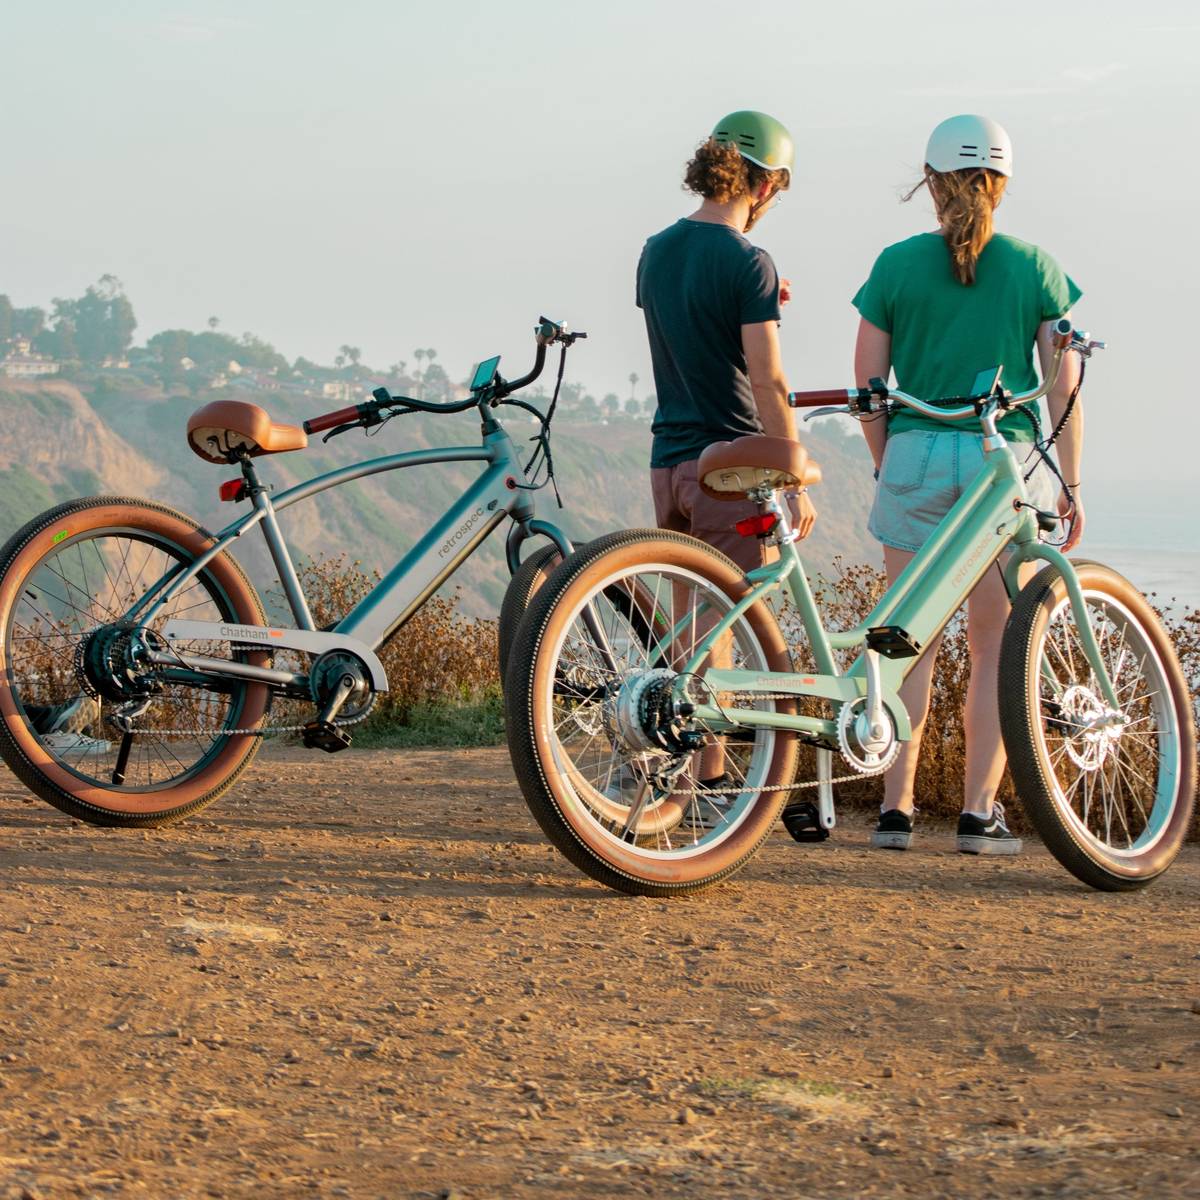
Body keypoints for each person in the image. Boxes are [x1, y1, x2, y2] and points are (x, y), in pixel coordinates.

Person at [852, 114, 1083, 855]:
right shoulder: (1035, 267)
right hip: (999, 467)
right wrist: (1071, 482)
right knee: (995, 648)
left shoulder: (894, 265)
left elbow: (867, 384)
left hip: (917, 452)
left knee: (906, 642)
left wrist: (889, 458)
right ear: (1003, 185)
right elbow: (1062, 387)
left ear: (929, 182)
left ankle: (895, 811)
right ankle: (979, 817)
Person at [636, 110, 816, 821]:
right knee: (733, 629)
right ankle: (714, 788)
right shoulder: (750, 263)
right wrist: (792, 472)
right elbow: (767, 382)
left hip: (668, 460)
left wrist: (763, 295)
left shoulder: (654, 250)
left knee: (689, 631)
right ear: (765, 180)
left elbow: (689, 323)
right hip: (731, 465)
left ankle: (686, 782)